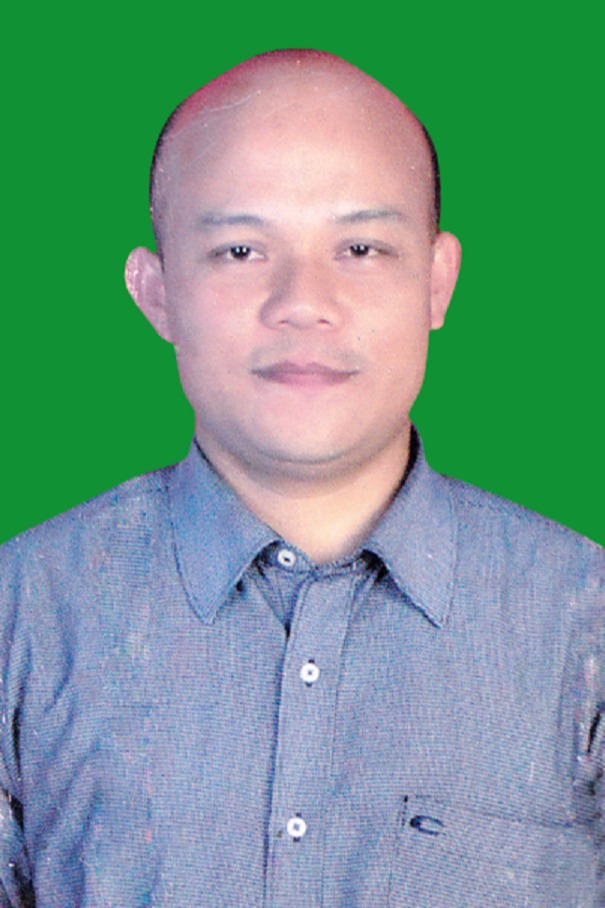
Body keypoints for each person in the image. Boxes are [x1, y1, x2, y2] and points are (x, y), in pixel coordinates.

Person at [0, 48, 602, 907]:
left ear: (437, 282)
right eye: (241, 249)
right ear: (157, 292)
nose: (302, 301)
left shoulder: (583, 623)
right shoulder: (22, 616)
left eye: (360, 246)